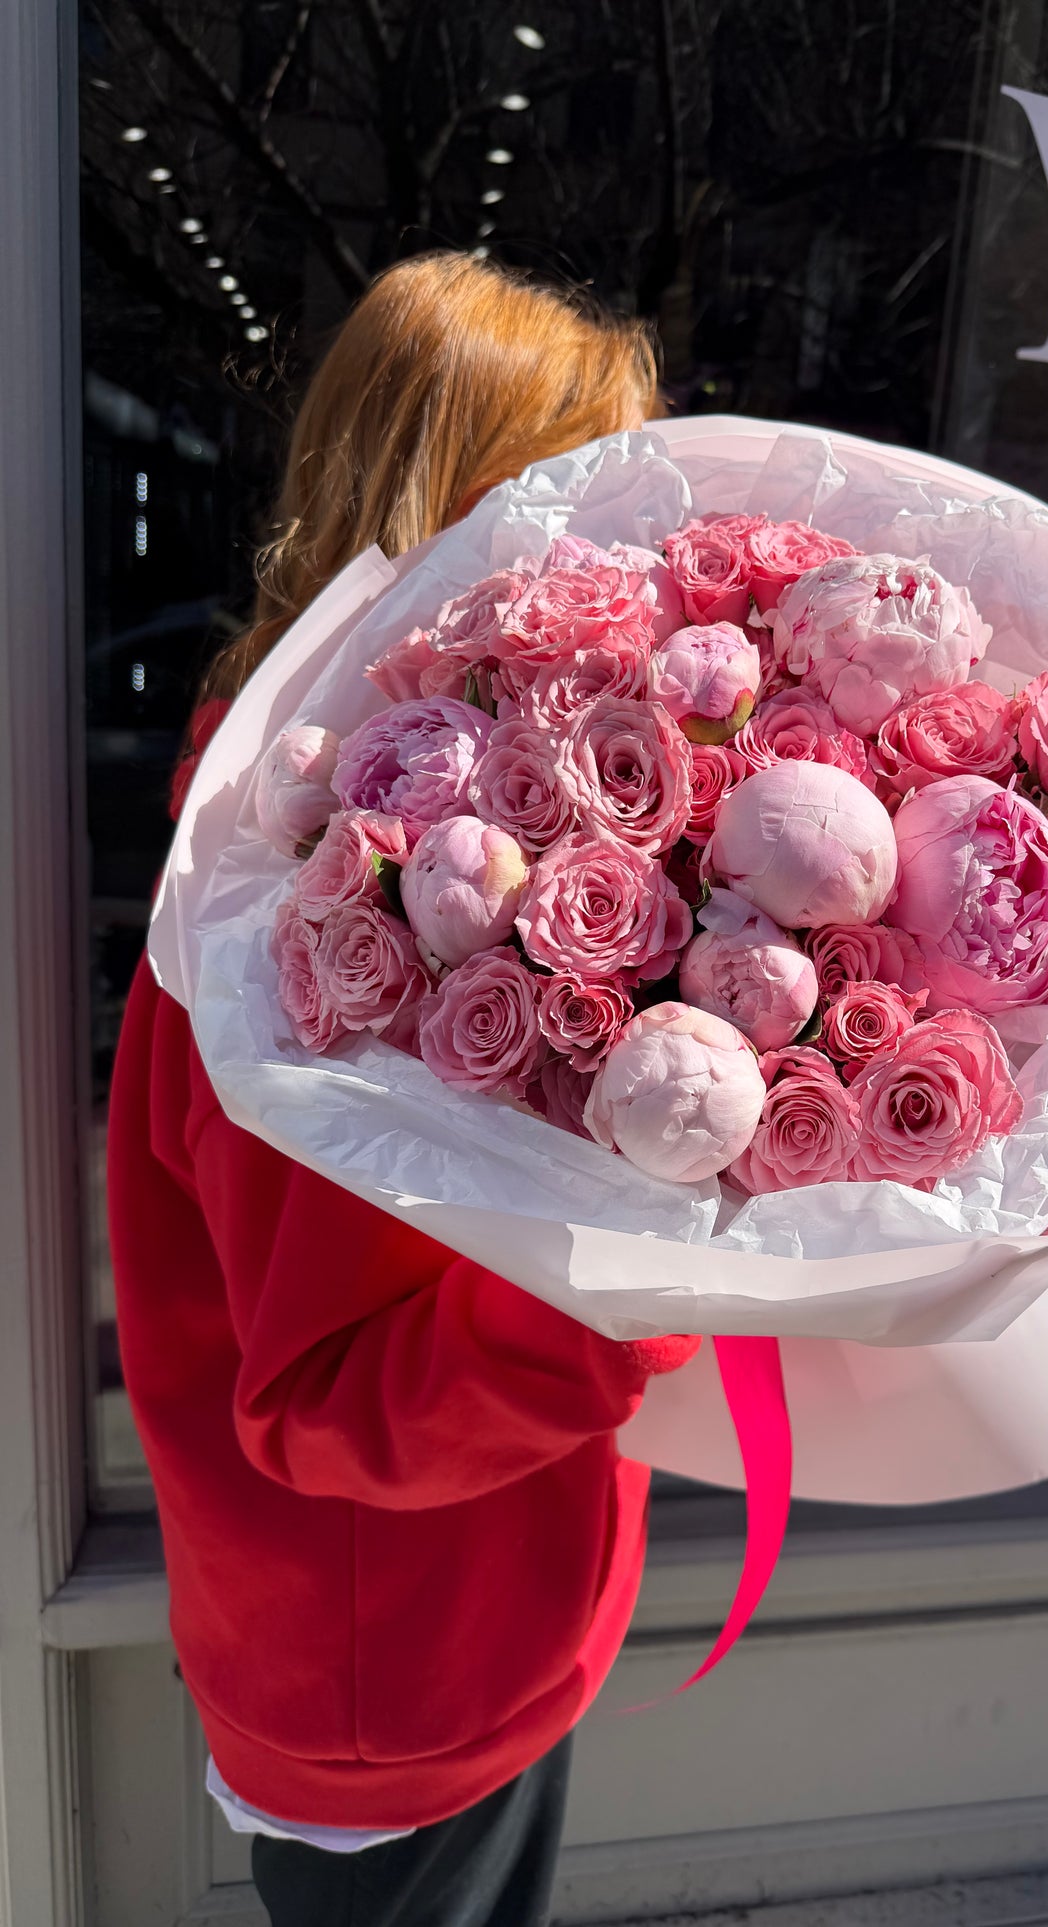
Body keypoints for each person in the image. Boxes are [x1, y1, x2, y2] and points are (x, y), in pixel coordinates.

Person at [108, 252, 701, 1927]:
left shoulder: (340, 843)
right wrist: (644, 1271)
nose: (631, 546)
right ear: (481, 503)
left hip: (428, 1642)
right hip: (397, 1679)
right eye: (592, 489)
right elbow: (332, 1403)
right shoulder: (303, 904)